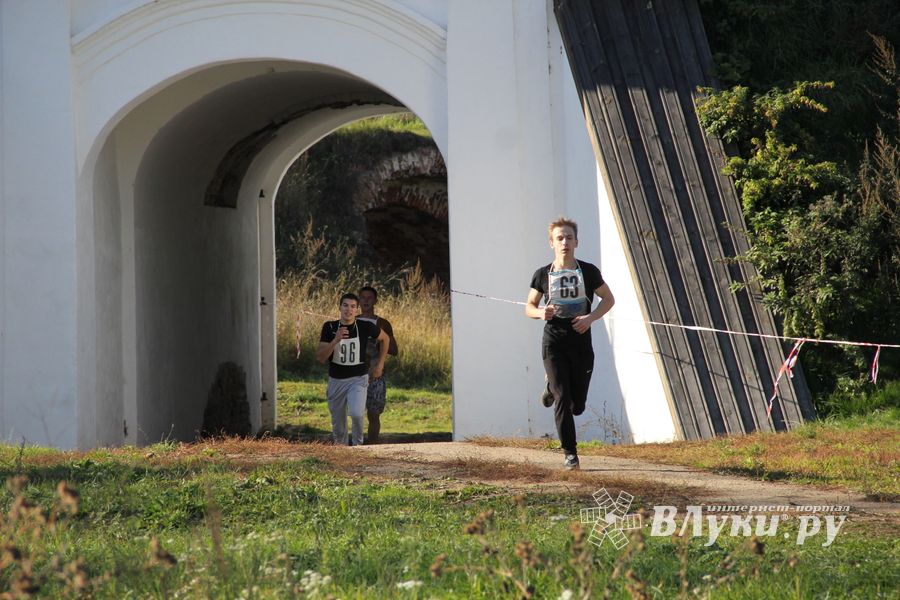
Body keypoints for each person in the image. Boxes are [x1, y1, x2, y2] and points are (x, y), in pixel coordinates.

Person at [525, 217, 615, 469]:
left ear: (576, 241)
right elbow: (529, 307)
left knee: (577, 406)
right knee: (562, 397)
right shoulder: (542, 274)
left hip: (580, 339)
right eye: (559, 238)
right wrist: (543, 312)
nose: (565, 242)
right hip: (553, 340)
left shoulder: (588, 271)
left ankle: (549, 385)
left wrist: (590, 318)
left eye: (569, 237)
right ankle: (570, 454)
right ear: (551, 243)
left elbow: (608, 299)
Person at [316, 292, 390, 446]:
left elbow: (385, 339)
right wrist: (335, 340)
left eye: (352, 306)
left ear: (357, 310)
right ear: (339, 307)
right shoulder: (329, 327)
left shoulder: (365, 326)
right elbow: (321, 357)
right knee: (338, 424)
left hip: (358, 379)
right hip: (336, 380)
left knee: (356, 414)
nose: (348, 310)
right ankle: (342, 452)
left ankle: (358, 447)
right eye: (345, 305)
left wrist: (380, 364)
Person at [357, 285, 399, 444]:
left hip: (376, 375)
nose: (366, 300)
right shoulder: (351, 321)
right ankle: (357, 446)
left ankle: (373, 446)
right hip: (354, 375)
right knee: (356, 413)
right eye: (363, 297)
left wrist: (381, 337)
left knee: (374, 415)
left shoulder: (382, 323)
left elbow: (394, 350)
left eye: (369, 297)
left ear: (375, 301)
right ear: (359, 301)